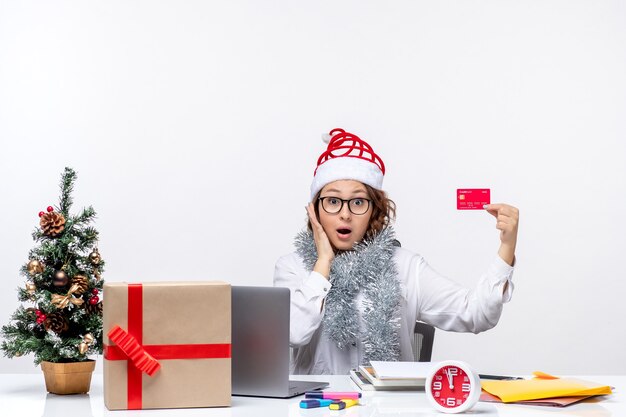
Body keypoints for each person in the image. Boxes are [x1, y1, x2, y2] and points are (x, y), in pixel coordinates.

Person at [273, 128, 519, 375]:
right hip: (318, 408)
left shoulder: (405, 266)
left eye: (358, 202)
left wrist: (506, 247)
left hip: (389, 406)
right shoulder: (293, 267)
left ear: (374, 211)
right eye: (333, 201)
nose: (345, 214)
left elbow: (475, 313)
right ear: (315, 210)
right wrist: (323, 262)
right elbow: (293, 333)